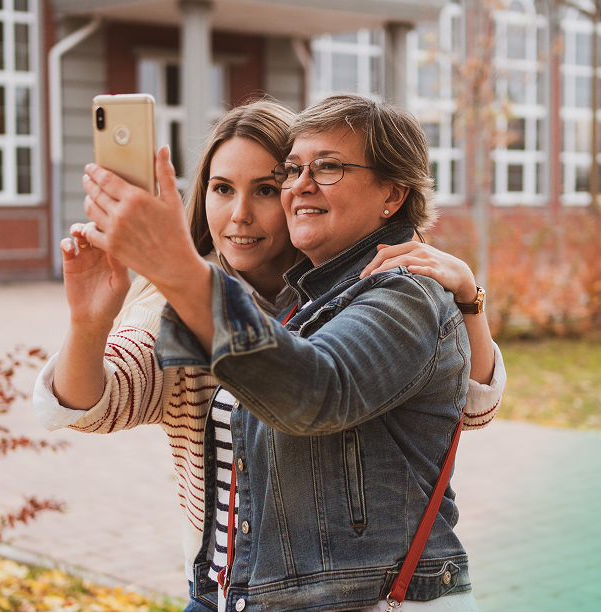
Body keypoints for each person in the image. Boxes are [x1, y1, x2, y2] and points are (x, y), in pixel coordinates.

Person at [35, 99, 506, 610]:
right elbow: (98, 399)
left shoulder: (380, 288)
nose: (241, 214)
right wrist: (89, 323)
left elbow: (435, 402)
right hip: (223, 589)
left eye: (267, 185)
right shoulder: (186, 302)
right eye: (222, 188)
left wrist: (469, 303)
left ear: (392, 193)